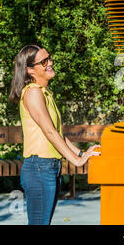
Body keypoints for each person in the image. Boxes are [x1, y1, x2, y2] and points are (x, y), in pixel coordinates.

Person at [9, 44, 101, 225]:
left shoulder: (44, 93)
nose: (50, 63)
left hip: (49, 168)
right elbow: (49, 131)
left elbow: (57, 132)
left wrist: (82, 154)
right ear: (30, 70)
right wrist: (76, 161)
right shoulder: (33, 93)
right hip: (39, 168)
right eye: (44, 61)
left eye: (49, 58)